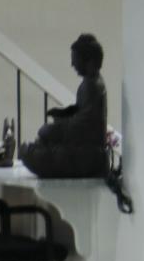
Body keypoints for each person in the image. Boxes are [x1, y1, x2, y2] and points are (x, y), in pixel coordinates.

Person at [20, 33, 108, 178]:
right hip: (87, 149)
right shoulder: (91, 84)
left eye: (75, 60)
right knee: (40, 143)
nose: (72, 64)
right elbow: (82, 112)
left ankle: (31, 151)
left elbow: (84, 124)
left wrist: (56, 128)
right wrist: (65, 113)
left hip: (88, 153)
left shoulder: (93, 85)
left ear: (88, 61)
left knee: (36, 151)